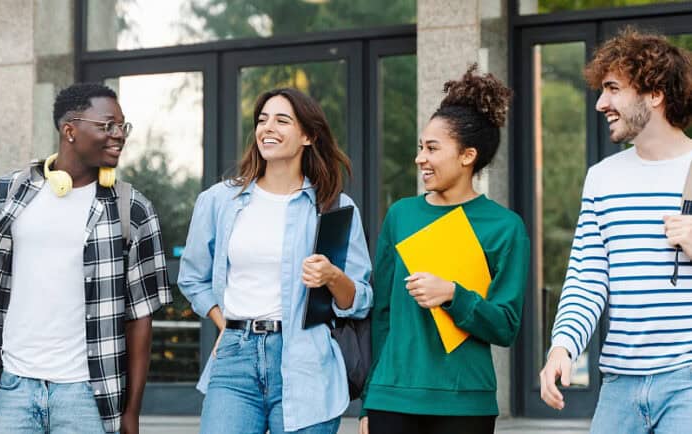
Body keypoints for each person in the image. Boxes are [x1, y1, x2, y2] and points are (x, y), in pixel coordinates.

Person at [0, 82, 173, 433]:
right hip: (16, 388)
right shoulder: (10, 193)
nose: (119, 135)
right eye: (107, 126)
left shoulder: (132, 209)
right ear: (69, 130)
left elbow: (140, 319)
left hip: (87, 395)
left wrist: (130, 414)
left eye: (122, 126)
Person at [178, 87, 373, 434]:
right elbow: (193, 277)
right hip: (234, 357)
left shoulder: (335, 208)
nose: (268, 127)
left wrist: (331, 276)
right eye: (262, 120)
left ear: (308, 136)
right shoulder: (220, 201)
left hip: (307, 360)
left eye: (282, 120)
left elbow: (359, 300)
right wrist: (223, 322)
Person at [360, 65, 529, 434]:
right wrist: (369, 400)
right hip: (392, 398)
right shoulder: (401, 216)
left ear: (468, 156)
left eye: (432, 148)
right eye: (421, 147)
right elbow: (382, 314)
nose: (420, 158)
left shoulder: (505, 227)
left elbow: (506, 326)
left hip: (465, 401)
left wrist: (454, 295)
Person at [539, 28, 692, 433]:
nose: (600, 103)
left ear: (655, 93)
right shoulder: (602, 178)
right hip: (619, 387)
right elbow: (587, 278)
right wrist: (563, 347)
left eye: (612, 89)